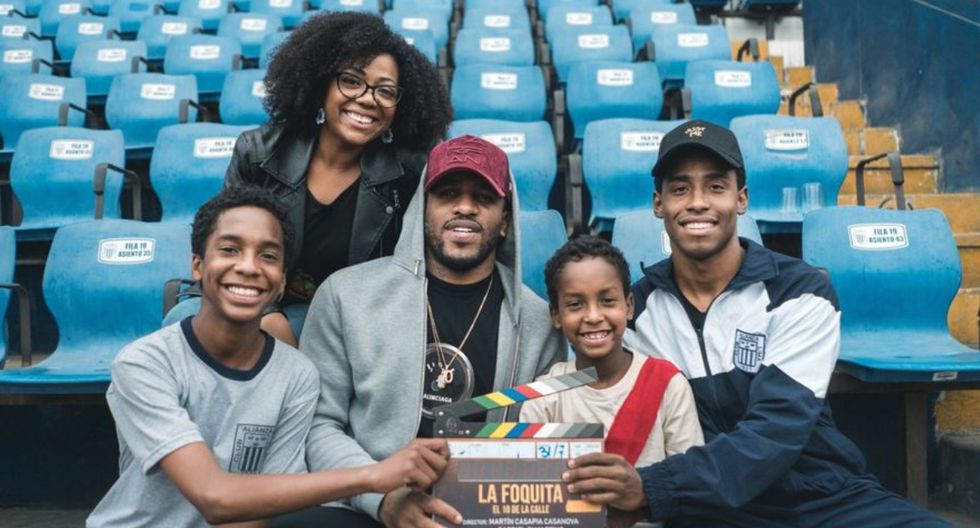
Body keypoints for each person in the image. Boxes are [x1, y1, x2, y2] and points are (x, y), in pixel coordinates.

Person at [560, 121, 951, 527]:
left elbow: (775, 431)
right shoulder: (632, 314)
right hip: (705, 510)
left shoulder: (800, 292)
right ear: (659, 204)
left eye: (716, 187)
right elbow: (586, 392)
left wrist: (652, 488)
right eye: (680, 189)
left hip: (821, 498)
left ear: (741, 198)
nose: (697, 202)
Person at [87, 187, 452, 528]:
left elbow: (268, 510)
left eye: (268, 256)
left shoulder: (296, 373)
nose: (249, 267)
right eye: (230, 250)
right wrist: (374, 476)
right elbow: (212, 497)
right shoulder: (144, 363)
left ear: (281, 282)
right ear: (197, 266)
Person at [279, 136, 564, 528]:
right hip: (367, 507)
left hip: (485, 511)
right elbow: (319, 426)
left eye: (483, 197)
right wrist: (382, 499)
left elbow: (545, 443)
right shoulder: (346, 296)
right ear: (422, 208)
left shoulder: (539, 323)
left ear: (504, 222)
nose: (465, 207)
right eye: (447, 194)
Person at [225, 11, 452, 346]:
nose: (367, 98)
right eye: (352, 81)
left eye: (385, 91)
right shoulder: (258, 154)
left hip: (365, 323)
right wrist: (268, 315)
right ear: (322, 85)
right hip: (265, 306)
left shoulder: (410, 173)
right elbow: (230, 246)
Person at [520, 236, 704, 527]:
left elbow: (690, 486)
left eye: (607, 301)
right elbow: (533, 498)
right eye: (576, 304)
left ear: (628, 306)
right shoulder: (543, 396)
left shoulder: (668, 384)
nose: (594, 316)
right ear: (556, 315)